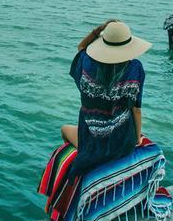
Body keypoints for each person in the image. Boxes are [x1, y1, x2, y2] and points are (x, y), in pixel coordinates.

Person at [61, 18, 152, 181]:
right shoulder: (135, 68)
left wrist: (98, 29)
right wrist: (137, 138)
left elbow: (81, 47)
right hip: (123, 141)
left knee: (64, 130)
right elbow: (136, 109)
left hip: (92, 137)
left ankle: (81, 173)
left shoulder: (86, 62)